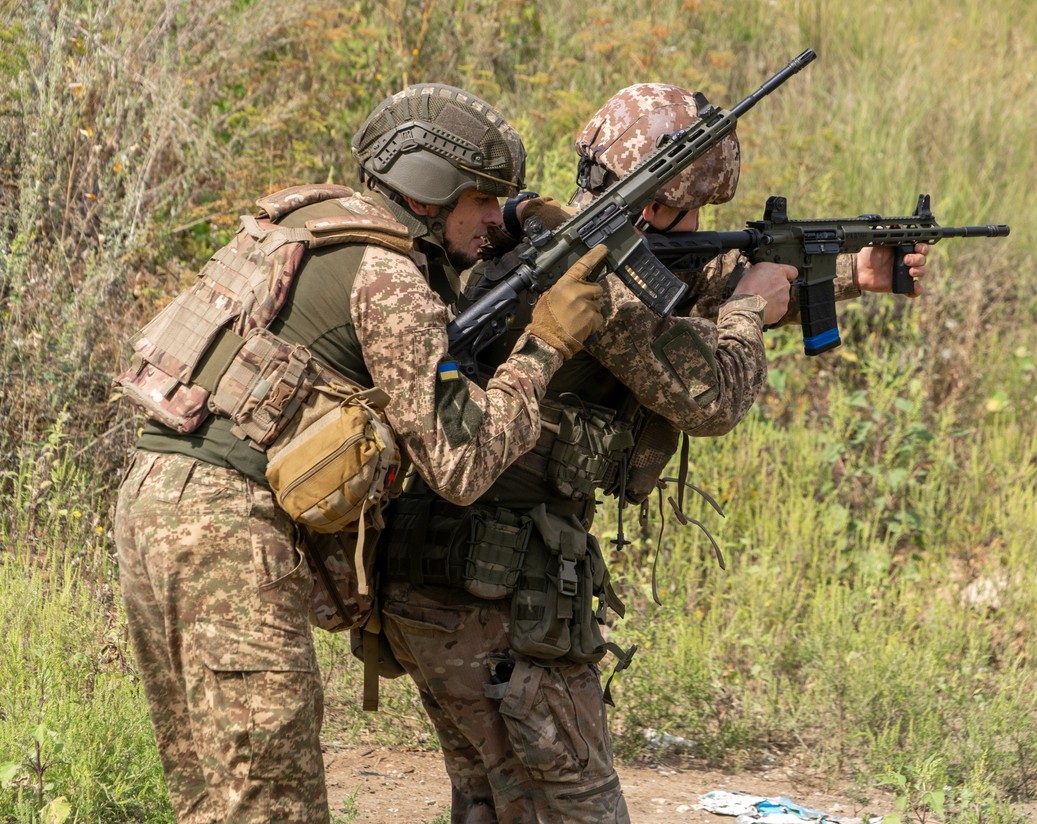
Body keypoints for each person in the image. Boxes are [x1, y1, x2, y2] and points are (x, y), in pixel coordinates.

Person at [375, 83, 930, 823]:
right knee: (578, 809)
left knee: (492, 800)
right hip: (500, 594)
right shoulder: (594, 283)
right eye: (693, 209)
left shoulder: (556, 236)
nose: (702, 226)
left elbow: (694, 282)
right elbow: (713, 395)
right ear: (655, 205)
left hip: (437, 573)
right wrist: (749, 312)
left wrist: (849, 273)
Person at [112, 83, 609, 824]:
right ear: (432, 193)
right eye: (480, 202)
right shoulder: (390, 278)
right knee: (271, 801)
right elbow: (460, 465)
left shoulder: (310, 224)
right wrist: (545, 346)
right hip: (227, 535)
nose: (489, 220)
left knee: (216, 797)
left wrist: (501, 227)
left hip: (153, 504)